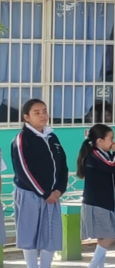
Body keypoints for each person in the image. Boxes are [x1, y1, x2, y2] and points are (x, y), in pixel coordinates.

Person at [11, 99, 69, 268]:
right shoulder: (22, 139)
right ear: (26, 117)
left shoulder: (52, 137)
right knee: (29, 236)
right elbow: (23, 170)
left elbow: (63, 165)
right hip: (30, 194)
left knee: (51, 235)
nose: (43, 115)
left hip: (53, 195)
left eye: (44, 111)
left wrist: (59, 190)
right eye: (37, 112)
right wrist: (44, 193)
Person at [78, 124, 115, 268]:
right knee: (111, 234)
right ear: (99, 141)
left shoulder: (104, 153)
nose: (113, 142)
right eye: (111, 139)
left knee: (104, 237)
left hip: (106, 201)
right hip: (97, 202)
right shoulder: (95, 154)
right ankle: (93, 265)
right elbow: (112, 166)